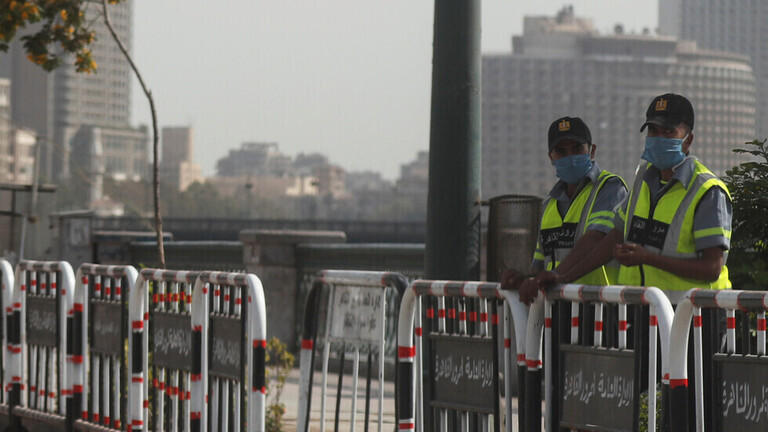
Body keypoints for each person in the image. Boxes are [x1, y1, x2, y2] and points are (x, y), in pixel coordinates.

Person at [538, 94, 732, 302]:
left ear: (688, 140)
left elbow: (711, 268)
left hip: (693, 317)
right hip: (642, 314)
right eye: (653, 131)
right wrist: (563, 277)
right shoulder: (643, 181)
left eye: (668, 132)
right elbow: (615, 236)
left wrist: (648, 258)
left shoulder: (706, 191)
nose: (659, 138)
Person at [501, 116, 628, 304]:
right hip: (558, 312)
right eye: (561, 151)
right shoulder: (549, 205)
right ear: (551, 156)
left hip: (600, 310)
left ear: (591, 151)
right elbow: (541, 264)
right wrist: (522, 279)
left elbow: (596, 238)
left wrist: (556, 275)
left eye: (577, 149)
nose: (570, 157)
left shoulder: (609, 188)